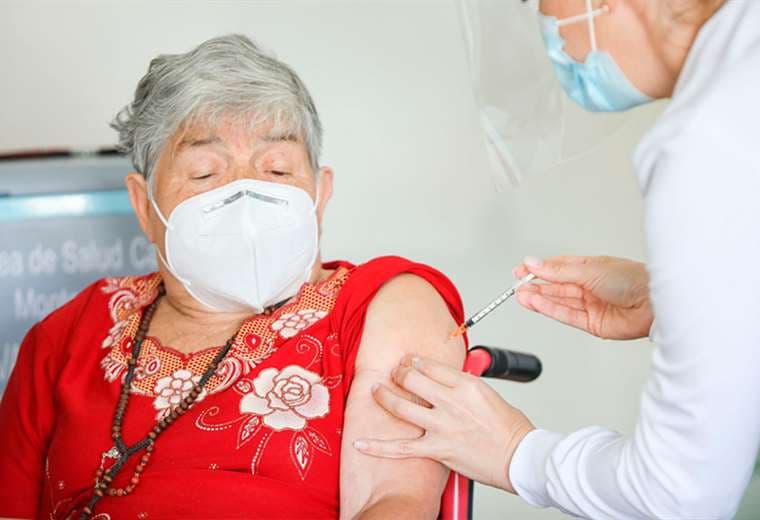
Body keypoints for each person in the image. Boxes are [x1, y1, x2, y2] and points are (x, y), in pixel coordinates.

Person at [0, 34, 467, 519]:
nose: (246, 195)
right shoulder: (73, 331)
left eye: (278, 170)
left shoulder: (382, 304)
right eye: (204, 173)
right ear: (143, 206)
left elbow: (393, 502)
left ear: (320, 194)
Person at [354, 1, 760, 518]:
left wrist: (514, 451)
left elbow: (679, 495)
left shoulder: (709, 142)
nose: (547, 32)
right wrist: (670, 303)